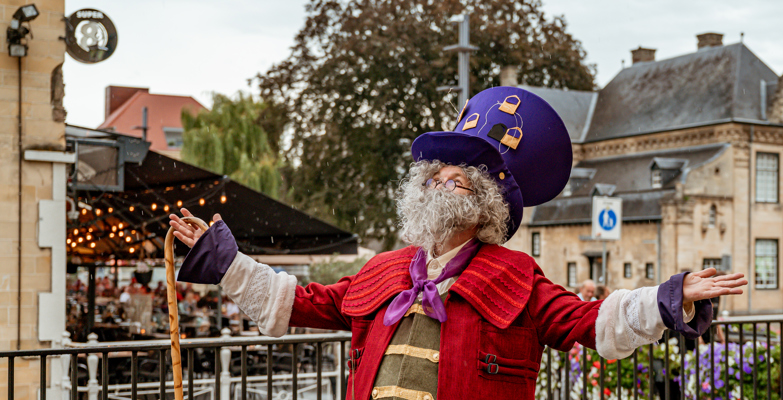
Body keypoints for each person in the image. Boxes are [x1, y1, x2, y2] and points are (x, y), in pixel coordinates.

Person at [169, 86, 747, 399]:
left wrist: (671, 297)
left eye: (460, 176)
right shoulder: (387, 268)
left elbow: (589, 322)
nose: (441, 179)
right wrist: (224, 258)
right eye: (437, 172)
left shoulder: (516, 275)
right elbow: (306, 303)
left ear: (485, 205)